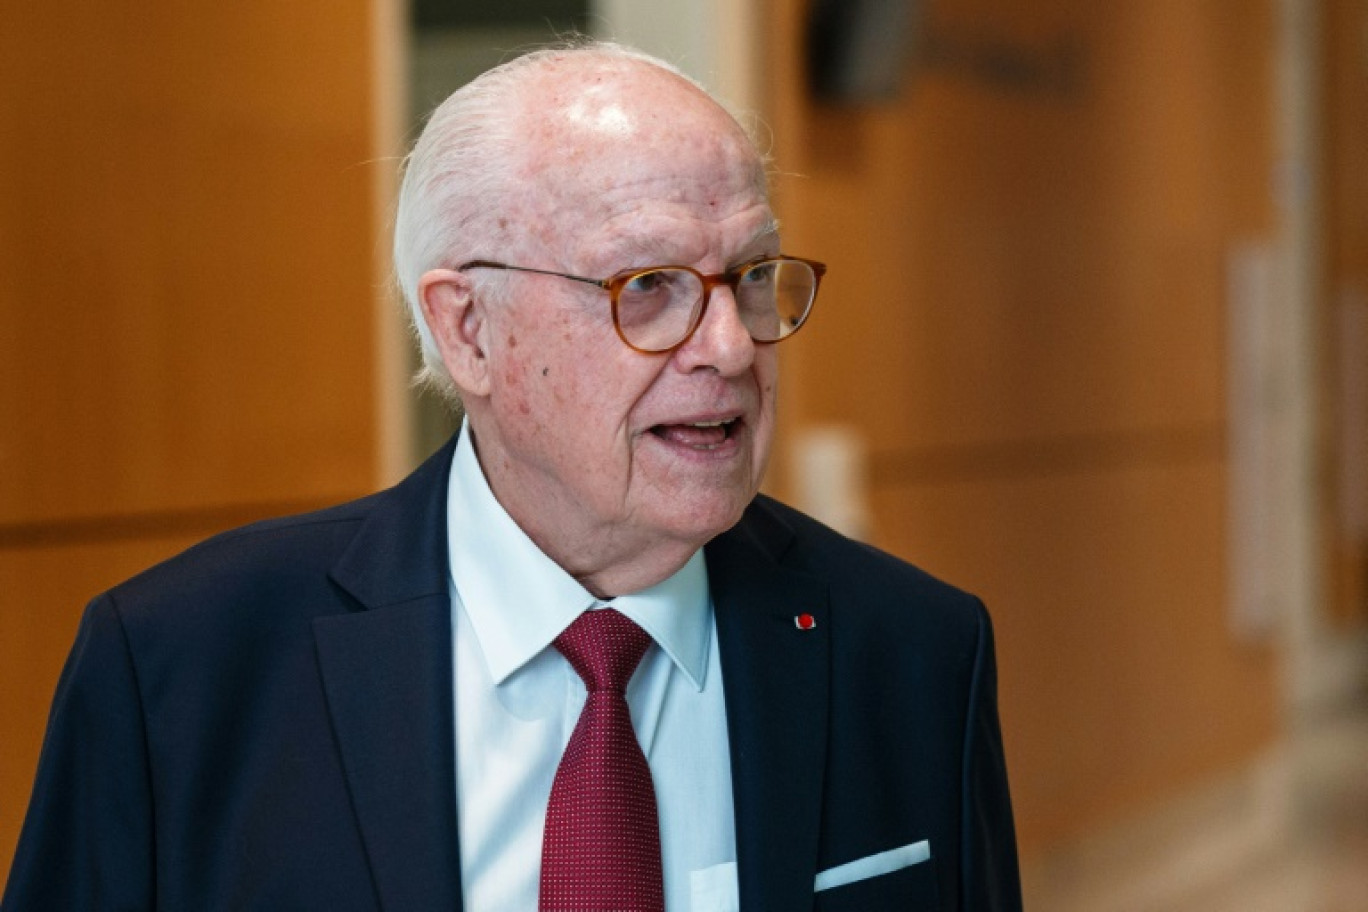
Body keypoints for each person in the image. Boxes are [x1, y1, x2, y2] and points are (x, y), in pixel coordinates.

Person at [2, 42, 1020, 911]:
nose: (729, 346)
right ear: (468, 330)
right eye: (649, 287)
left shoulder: (915, 651)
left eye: (749, 277)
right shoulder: (181, 670)